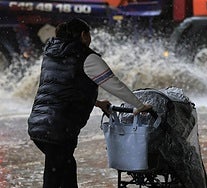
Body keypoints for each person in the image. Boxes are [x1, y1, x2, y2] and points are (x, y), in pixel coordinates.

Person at [28, 18, 151, 188]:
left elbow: (65, 88)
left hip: (38, 125)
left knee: (61, 169)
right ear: (83, 35)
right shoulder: (86, 57)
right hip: (59, 128)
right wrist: (139, 105)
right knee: (59, 174)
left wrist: (98, 103)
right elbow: (114, 84)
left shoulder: (51, 53)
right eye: (89, 35)